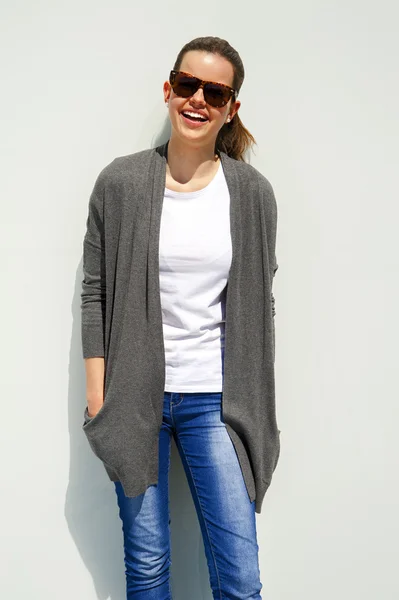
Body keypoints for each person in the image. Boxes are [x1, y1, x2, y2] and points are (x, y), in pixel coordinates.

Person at [81, 35, 280, 599]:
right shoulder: (119, 184)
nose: (198, 100)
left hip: (216, 400)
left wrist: (256, 395)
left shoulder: (252, 195)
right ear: (169, 89)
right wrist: (99, 396)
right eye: (188, 85)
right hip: (132, 398)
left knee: (239, 578)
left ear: (231, 107)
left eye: (214, 92)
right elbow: (94, 293)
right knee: (146, 568)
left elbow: (259, 302)